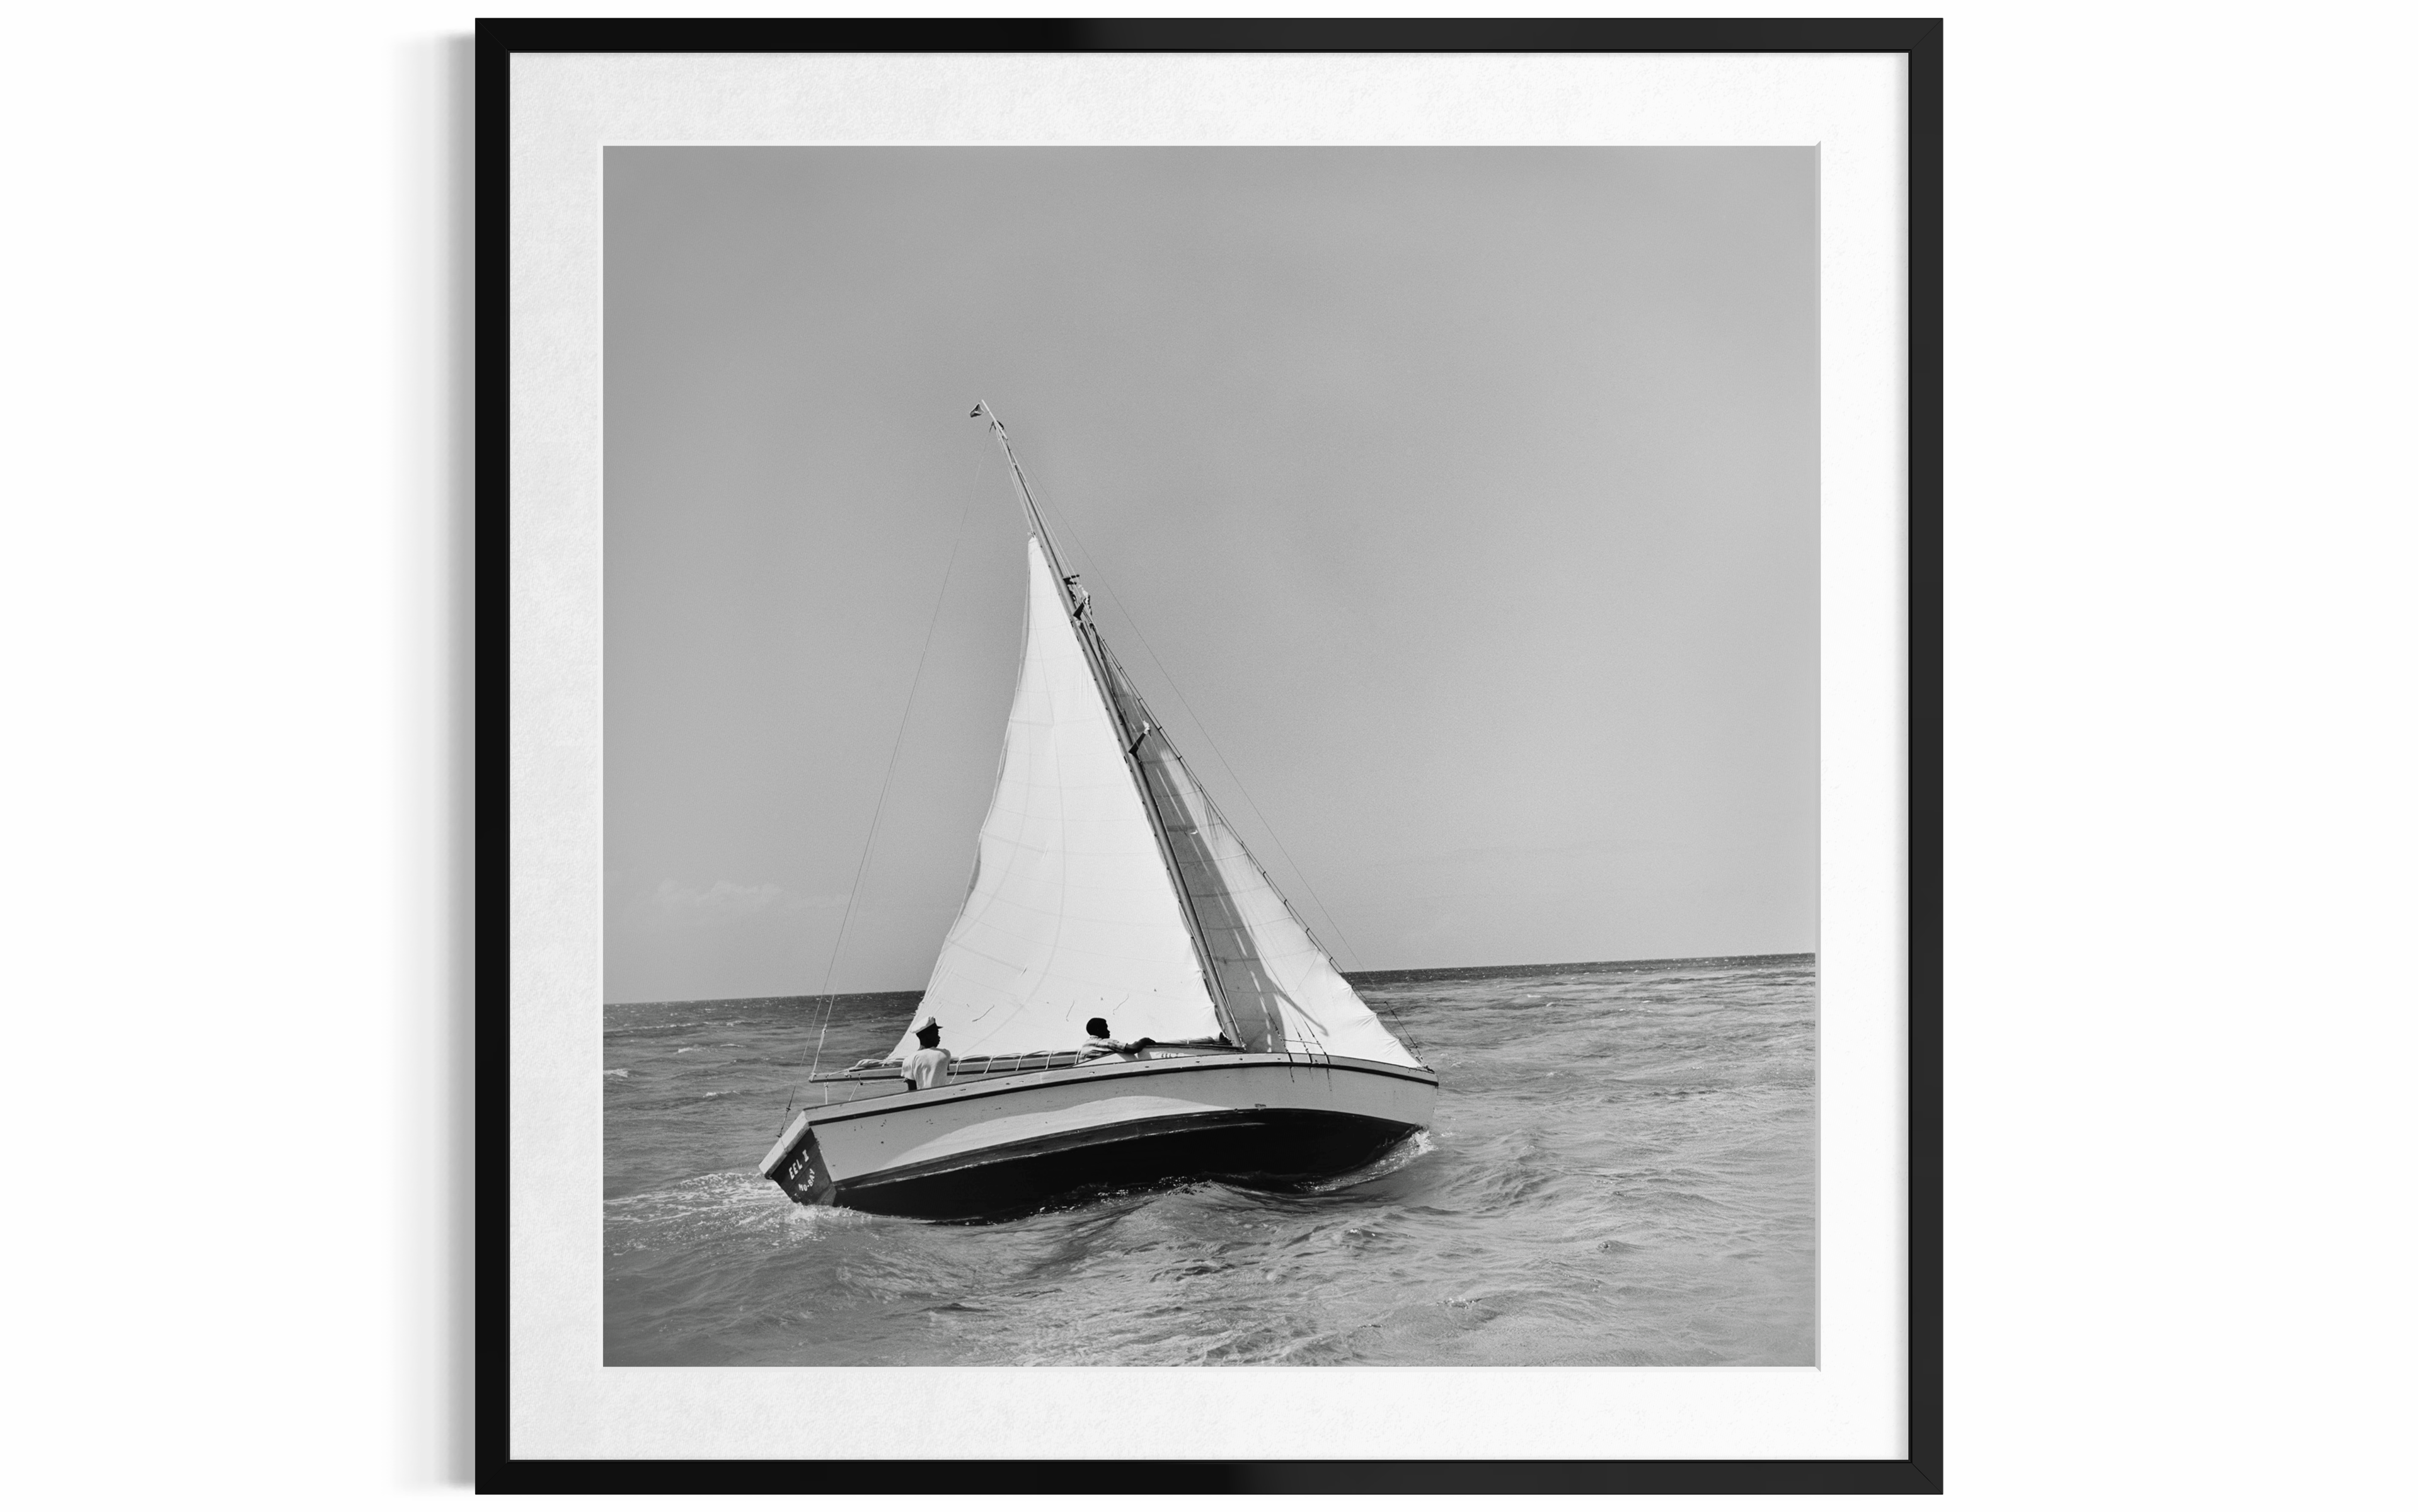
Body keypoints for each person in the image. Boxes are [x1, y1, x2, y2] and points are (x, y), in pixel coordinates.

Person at [900, 1021, 952, 1091]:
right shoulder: (945, 1054)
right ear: (929, 1035)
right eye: (937, 1034)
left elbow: (912, 1089)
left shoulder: (909, 1060)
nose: (939, 1037)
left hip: (922, 1097)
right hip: (941, 1095)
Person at [1079, 1017, 1154, 1062]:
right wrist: (1144, 1041)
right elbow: (1134, 1048)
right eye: (1106, 1028)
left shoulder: (1085, 1045)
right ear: (1099, 1030)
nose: (1108, 1031)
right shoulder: (1103, 1043)